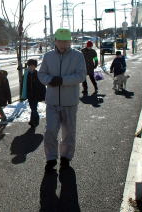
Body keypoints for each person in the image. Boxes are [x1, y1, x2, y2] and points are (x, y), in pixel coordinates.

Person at [38, 28, 87, 171]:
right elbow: (41, 74)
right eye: (61, 41)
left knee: (69, 132)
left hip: (70, 102)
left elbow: (81, 75)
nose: (64, 44)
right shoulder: (48, 56)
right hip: (52, 101)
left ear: (70, 41)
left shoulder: (78, 56)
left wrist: (62, 80)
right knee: (50, 131)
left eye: (67, 41)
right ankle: (51, 158)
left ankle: (66, 157)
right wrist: (50, 80)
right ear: (55, 41)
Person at [22, 59, 46, 128]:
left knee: (34, 108)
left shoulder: (38, 74)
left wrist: (44, 94)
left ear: (35, 66)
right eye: (29, 66)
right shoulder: (26, 74)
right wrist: (23, 94)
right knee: (32, 108)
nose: (30, 67)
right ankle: (33, 121)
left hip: (36, 95)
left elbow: (42, 85)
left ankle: (35, 121)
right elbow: (23, 85)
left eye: (32, 66)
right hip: (29, 95)